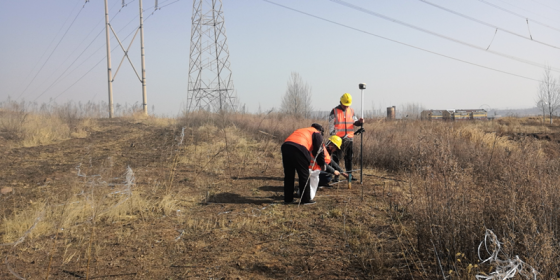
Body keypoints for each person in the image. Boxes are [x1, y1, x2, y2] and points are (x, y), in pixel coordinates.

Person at [281, 123, 325, 205]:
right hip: (299, 148)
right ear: (320, 131)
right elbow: (319, 150)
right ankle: (305, 199)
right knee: (304, 174)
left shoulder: (302, 130)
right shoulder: (316, 133)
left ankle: (288, 198)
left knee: (289, 175)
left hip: (286, 146)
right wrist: (322, 163)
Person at [328, 93, 364, 181]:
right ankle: (336, 176)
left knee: (349, 158)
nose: (346, 107)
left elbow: (355, 122)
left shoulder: (351, 111)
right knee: (336, 158)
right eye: (345, 105)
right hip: (337, 139)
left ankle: (349, 176)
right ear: (341, 102)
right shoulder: (334, 111)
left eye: (347, 105)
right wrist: (333, 138)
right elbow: (331, 125)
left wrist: (359, 122)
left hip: (349, 138)